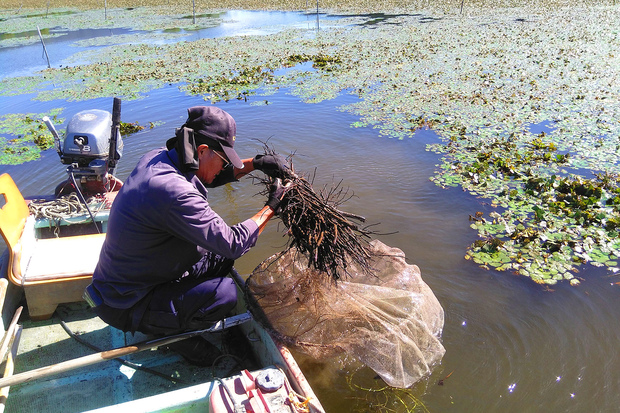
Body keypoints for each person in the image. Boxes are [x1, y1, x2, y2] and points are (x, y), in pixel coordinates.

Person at [86, 106, 289, 365]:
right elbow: (235, 242)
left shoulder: (160, 157)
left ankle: (173, 309)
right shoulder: (173, 192)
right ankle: (174, 335)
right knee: (225, 293)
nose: (225, 166)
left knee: (219, 258)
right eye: (224, 160)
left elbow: (209, 176)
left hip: (141, 276)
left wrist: (257, 163)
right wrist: (272, 206)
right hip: (126, 302)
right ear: (202, 151)